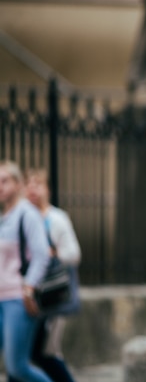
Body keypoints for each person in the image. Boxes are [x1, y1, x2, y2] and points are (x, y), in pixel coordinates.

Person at [14, 168, 81, 382]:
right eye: (29, 184)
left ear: (48, 190)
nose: (32, 189)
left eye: (38, 184)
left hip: (51, 297)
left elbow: (74, 254)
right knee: (26, 353)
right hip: (27, 295)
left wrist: (52, 253)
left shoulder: (57, 218)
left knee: (45, 353)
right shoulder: (20, 217)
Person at [0, 160, 53, 382]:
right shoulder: (3, 217)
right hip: (2, 298)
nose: (0, 186)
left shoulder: (26, 214)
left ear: (18, 184)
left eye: (4, 181)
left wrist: (29, 288)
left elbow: (42, 255)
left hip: (17, 300)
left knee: (18, 366)